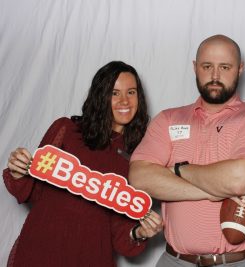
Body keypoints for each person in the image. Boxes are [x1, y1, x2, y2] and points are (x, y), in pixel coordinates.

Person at [129, 34, 245, 266]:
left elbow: (240, 180)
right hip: (174, 260)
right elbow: (139, 177)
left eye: (225, 67)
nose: (215, 76)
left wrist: (177, 168)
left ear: (240, 69)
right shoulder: (168, 119)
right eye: (207, 66)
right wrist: (213, 192)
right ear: (195, 67)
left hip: (236, 262)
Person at [3, 61, 163, 267]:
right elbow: (35, 193)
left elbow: (121, 231)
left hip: (91, 256)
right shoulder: (66, 130)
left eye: (131, 92)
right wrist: (20, 170)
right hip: (41, 250)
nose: (124, 101)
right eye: (114, 93)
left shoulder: (140, 157)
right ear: (100, 96)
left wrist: (139, 232)